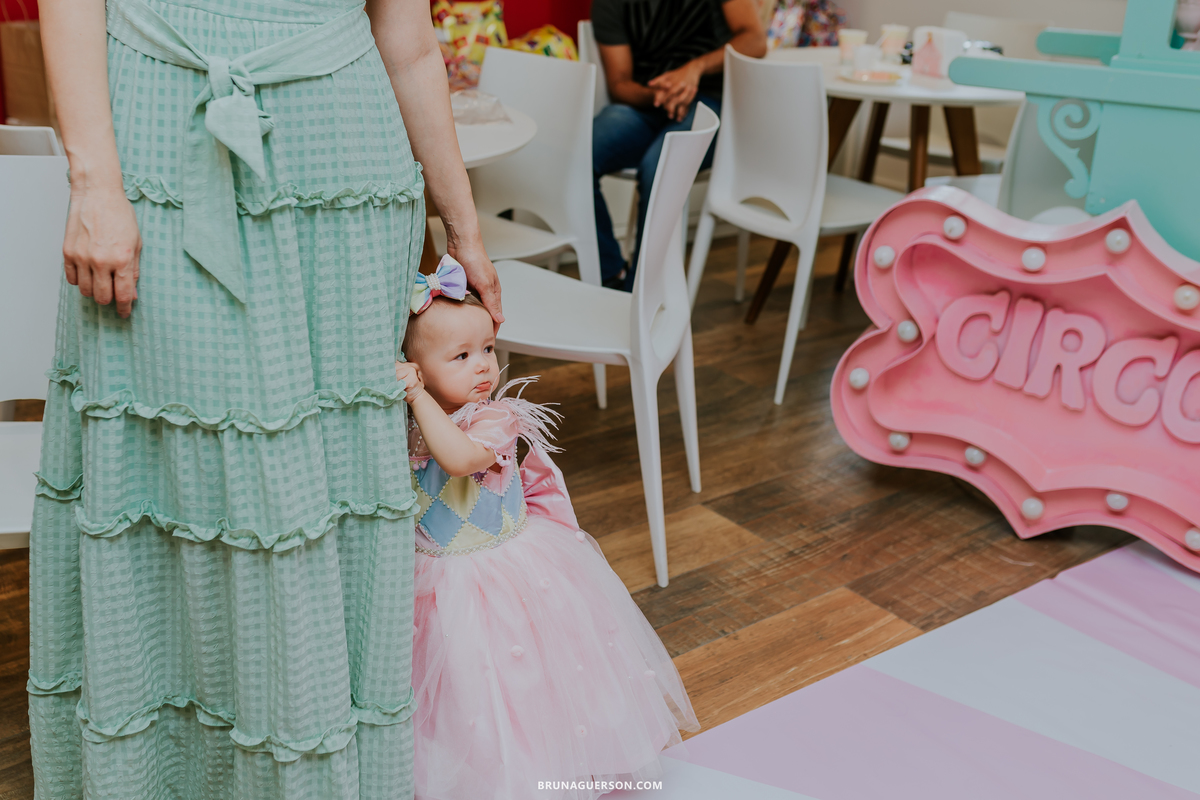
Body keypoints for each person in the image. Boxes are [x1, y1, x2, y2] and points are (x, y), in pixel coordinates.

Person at [30, 0, 499, 796]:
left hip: (344, 169)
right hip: (157, 140)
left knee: (332, 479)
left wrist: (463, 224)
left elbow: (411, 41)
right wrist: (93, 180)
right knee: (168, 469)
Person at [395, 257, 699, 800]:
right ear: (414, 365)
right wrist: (412, 405)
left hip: (504, 571)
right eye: (461, 356)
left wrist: (418, 397)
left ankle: (541, 774)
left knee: (525, 680)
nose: (484, 366)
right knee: (463, 691)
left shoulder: (494, 418)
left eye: (487, 348)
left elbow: (461, 459)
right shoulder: (408, 428)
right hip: (437, 580)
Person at [591, 0, 767, 289]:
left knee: (660, 164)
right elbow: (620, 83)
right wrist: (664, 94)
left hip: (710, 102)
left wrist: (694, 68)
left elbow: (755, 40)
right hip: (648, 102)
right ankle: (612, 276)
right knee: (578, 155)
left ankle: (640, 294)